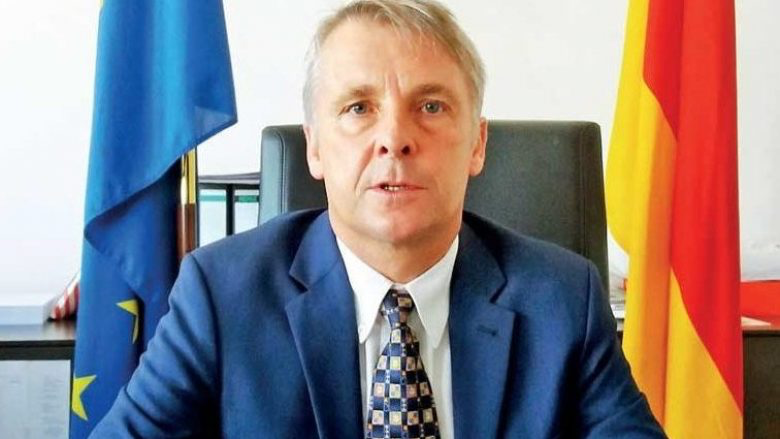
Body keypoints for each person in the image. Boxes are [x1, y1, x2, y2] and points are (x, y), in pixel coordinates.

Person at [93, 0, 665, 437]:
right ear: (315, 148)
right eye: (359, 108)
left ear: (477, 144)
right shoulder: (220, 296)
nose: (394, 138)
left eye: (431, 106)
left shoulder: (562, 299)